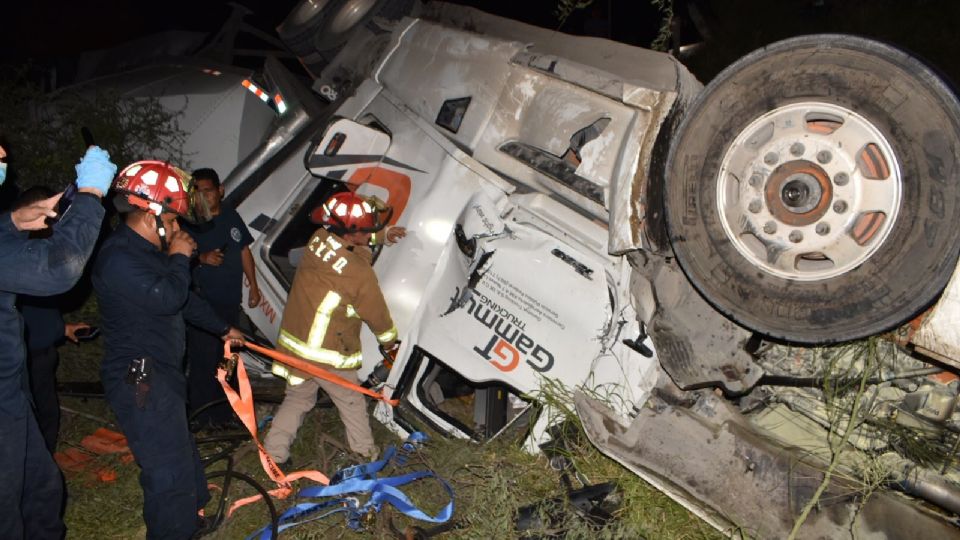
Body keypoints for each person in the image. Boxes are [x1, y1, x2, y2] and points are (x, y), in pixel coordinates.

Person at [92, 160, 245, 539]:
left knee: (179, 444)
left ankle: (188, 517)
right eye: (175, 221)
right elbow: (166, 297)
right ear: (150, 216)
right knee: (165, 463)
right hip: (139, 374)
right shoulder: (119, 259)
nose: (180, 229)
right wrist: (180, 256)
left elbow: (185, 302)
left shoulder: (147, 252)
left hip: (161, 368)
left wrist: (224, 327)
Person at [0, 142, 116, 539]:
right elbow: (58, 267)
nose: (3, 161)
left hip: (11, 393)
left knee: (40, 488)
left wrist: (13, 221)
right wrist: (90, 195)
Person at [264, 191, 401, 464]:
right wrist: (390, 343)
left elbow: (350, 240)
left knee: (298, 398)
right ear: (350, 234)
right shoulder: (359, 274)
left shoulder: (319, 239)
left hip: (296, 343)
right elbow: (377, 315)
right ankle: (366, 457)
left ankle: (273, 453)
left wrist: (381, 237)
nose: (371, 230)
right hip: (326, 352)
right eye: (367, 228)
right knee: (352, 403)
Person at [18, 185, 95, 454]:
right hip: (22, 358)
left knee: (47, 416)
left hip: (42, 353)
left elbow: (38, 309)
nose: (58, 221)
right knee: (30, 421)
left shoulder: (39, 249)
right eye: (55, 215)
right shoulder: (19, 254)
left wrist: (63, 327)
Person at [183, 167, 259, 429]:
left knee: (229, 360)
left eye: (208, 191)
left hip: (229, 302)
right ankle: (201, 418)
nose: (204, 196)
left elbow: (244, 250)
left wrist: (254, 285)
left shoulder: (231, 216)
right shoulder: (189, 222)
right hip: (203, 305)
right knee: (204, 361)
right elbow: (172, 258)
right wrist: (202, 259)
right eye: (198, 192)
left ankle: (226, 415)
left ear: (220, 190)